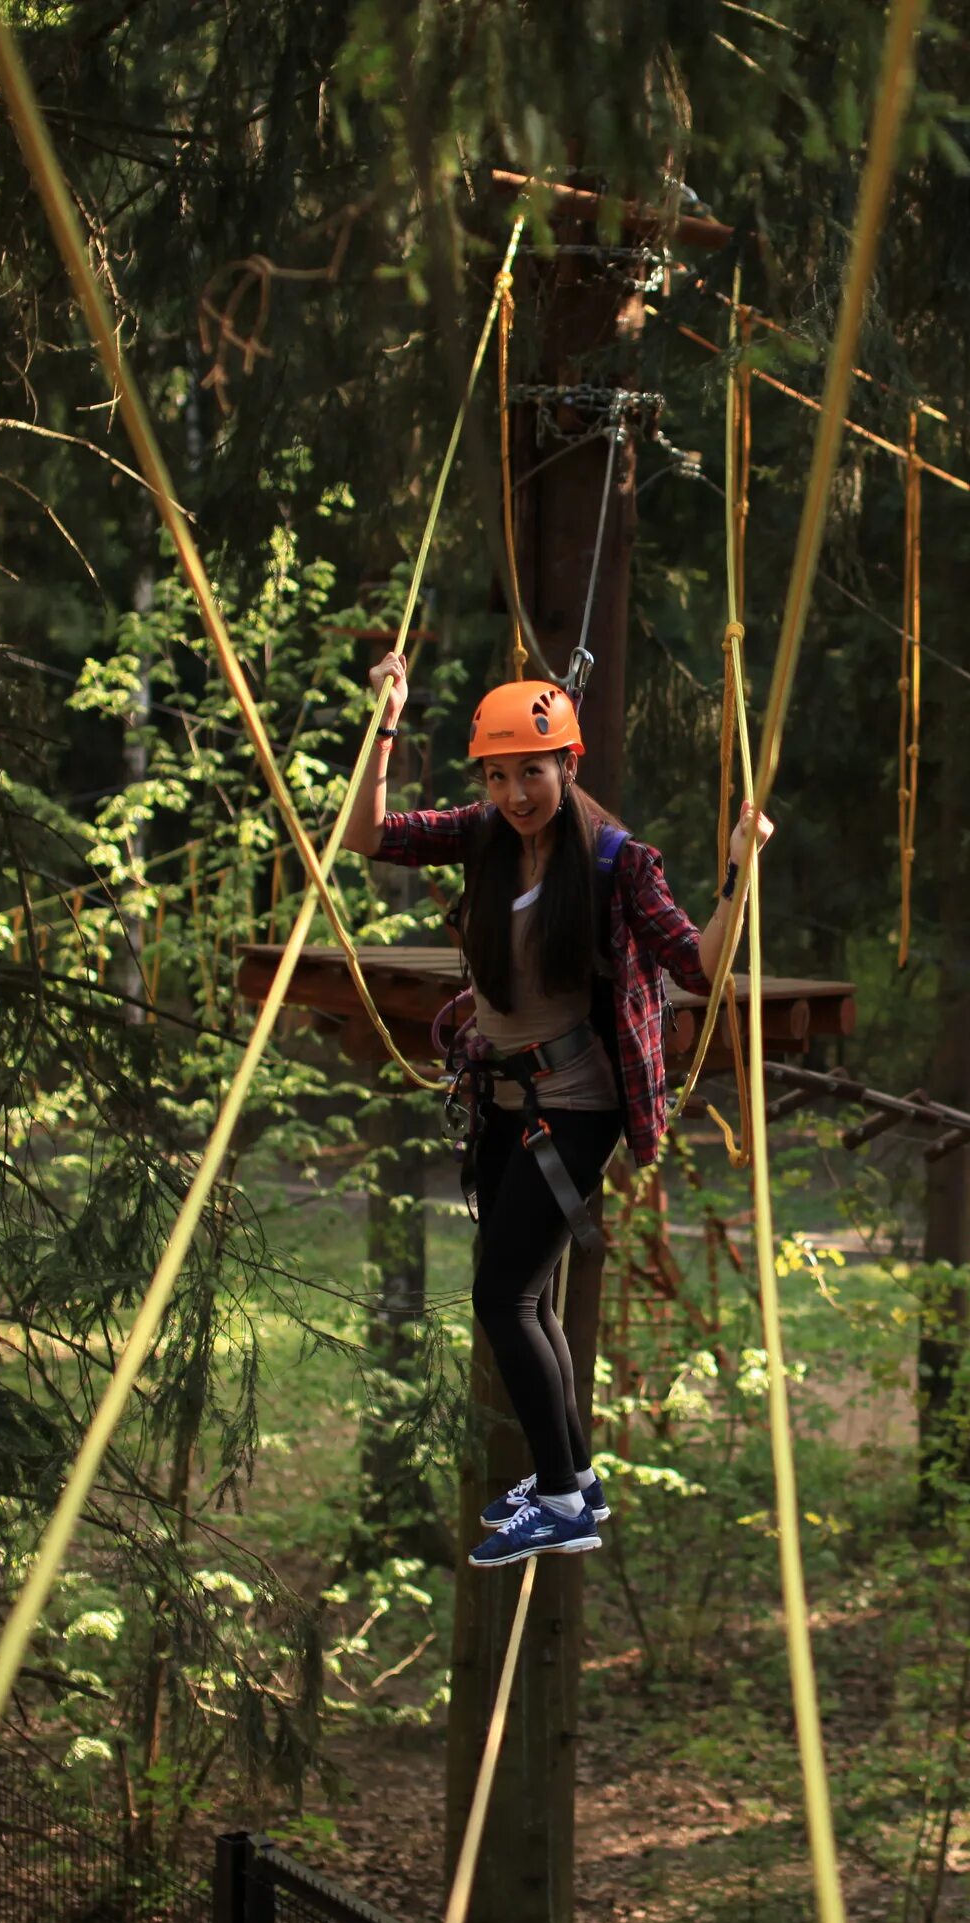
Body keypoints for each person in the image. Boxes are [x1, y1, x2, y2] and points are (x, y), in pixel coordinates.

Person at [343, 658, 773, 1568]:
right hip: (502, 1098)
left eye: (530, 772)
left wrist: (739, 873)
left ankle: (566, 1500)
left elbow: (698, 965)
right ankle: (573, 1481)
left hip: (575, 1105)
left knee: (501, 1297)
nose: (513, 793)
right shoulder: (484, 837)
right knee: (524, 1295)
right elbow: (368, 835)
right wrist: (386, 723)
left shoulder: (619, 862)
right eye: (497, 776)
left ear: (568, 764)